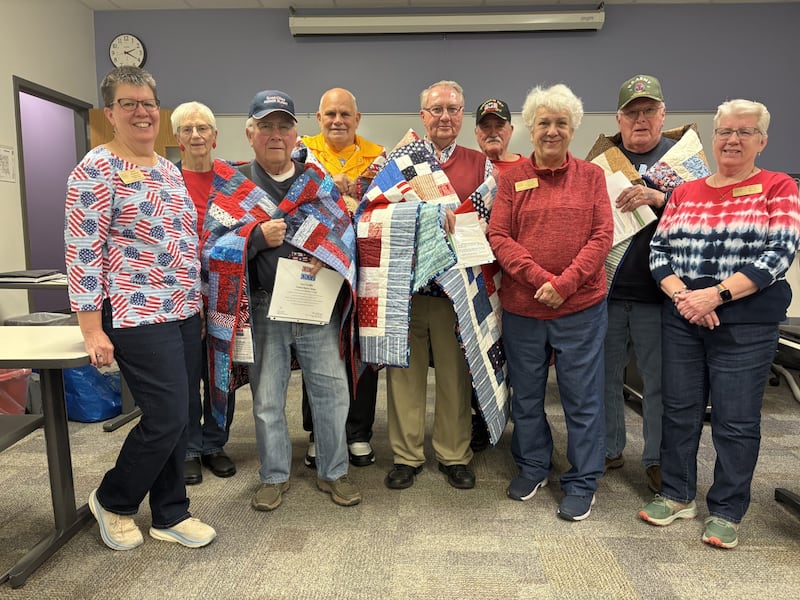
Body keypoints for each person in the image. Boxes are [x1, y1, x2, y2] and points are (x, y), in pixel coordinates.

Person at [65, 66, 216, 550]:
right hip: (133, 312)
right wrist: (91, 328)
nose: (142, 111)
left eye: (148, 102)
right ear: (110, 114)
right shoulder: (95, 169)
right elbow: (83, 250)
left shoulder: (167, 167)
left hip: (182, 309)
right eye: (129, 103)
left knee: (181, 413)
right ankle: (113, 499)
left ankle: (171, 511)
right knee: (166, 415)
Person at [639, 99, 800, 549]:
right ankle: (676, 494)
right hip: (684, 317)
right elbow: (659, 252)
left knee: (736, 420)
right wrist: (684, 296)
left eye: (744, 132)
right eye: (725, 131)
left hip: (746, 322)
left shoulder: (778, 187)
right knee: (679, 411)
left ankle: (727, 509)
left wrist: (717, 294)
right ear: (714, 137)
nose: (732, 139)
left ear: (762, 141)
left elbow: (779, 253)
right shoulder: (687, 191)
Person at [227, 89, 360, 510]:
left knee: (333, 391)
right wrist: (253, 239)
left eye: (284, 125)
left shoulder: (314, 182)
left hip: (313, 303)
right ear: (250, 133)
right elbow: (212, 246)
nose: (276, 134)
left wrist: (331, 255)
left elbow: (345, 231)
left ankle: (334, 472)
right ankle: (274, 475)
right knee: (267, 397)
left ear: (295, 133)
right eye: (266, 126)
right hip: (266, 305)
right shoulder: (236, 183)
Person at [488, 83, 613, 521]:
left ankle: (581, 481)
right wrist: (541, 279)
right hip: (524, 309)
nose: (552, 130)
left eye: (562, 123)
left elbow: (602, 237)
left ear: (574, 128)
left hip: (580, 308)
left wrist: (566, 283)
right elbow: (499, 236)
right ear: (530, 128)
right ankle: (534, 465)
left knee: (581, 398)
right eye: (544, 122)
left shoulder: (593, 177)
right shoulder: (512, 178)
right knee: (526, 397)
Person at [384, 80, 492, 491]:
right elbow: (377, 213)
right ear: (422, 116)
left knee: (454, 376)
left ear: (462, 115)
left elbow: (493, 221)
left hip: (457, 292)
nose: (444, 116)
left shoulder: (481, 165)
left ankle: (453, 453)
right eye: (436, 109)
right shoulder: (398, 161)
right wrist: (423, 221)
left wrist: (464, 224)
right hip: (408, 290)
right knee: (404, 376)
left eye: (452, 109)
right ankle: (406, 456)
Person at [586, 74, 675, 493]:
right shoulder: (599, 162)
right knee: (603, 376)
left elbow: (704, 210)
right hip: (606, 291)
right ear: (618, 119)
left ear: (662, 115)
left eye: (648, 111)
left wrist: (660, 199)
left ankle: (656, 458)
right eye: (632, 113)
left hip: (660, 296)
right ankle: (607, 448)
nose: (640, 120)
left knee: (658, 382)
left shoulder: (682, 162)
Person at [298, 87, 385, 469]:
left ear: (357, 119)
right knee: (317, 351)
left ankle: (358, 431)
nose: (337, 121)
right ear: (318, 119)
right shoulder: (301, 152)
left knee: (361, 349)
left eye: (345, 115)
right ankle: (320, 431)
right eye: (330, 114)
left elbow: (386, 204)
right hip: (316, 269)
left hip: (363, 271)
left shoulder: (378, 157)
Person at [171, 101, 237, 485]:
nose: (196, 135)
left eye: (203, 129)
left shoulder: (231, 179)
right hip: (182, 292)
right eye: (188, 129)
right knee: (186, 372)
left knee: (221, 372)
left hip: (227, 291)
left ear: (215, 136)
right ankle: (190, 447)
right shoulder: (168, 180)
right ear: (177, 139)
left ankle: (215, 442)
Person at [474, 97, 525, 175]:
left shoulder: (528, 168)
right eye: (486, 126)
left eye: (499, 126)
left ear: (511, 130)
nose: (493, 133)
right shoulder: (467, 169)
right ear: (476, 133)